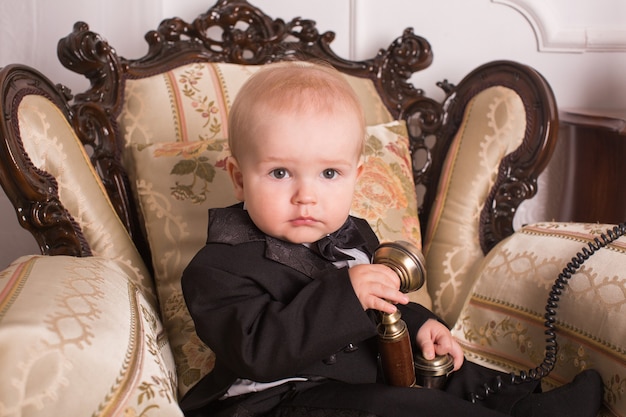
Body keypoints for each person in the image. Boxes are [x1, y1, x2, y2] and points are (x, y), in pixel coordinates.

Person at [180, 61, 603, 417]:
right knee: (400, 407)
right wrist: (346, 293)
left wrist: (421, 325)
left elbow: (386, 302)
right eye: (279, 173)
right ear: (238, 178)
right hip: (281, 400)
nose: (305, 195)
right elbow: (259, 350)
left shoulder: (353, 235)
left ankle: (530, 404)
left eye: (329, 174)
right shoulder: (218, 266)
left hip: (371, 372)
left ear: (355, 177)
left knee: (452, 367)